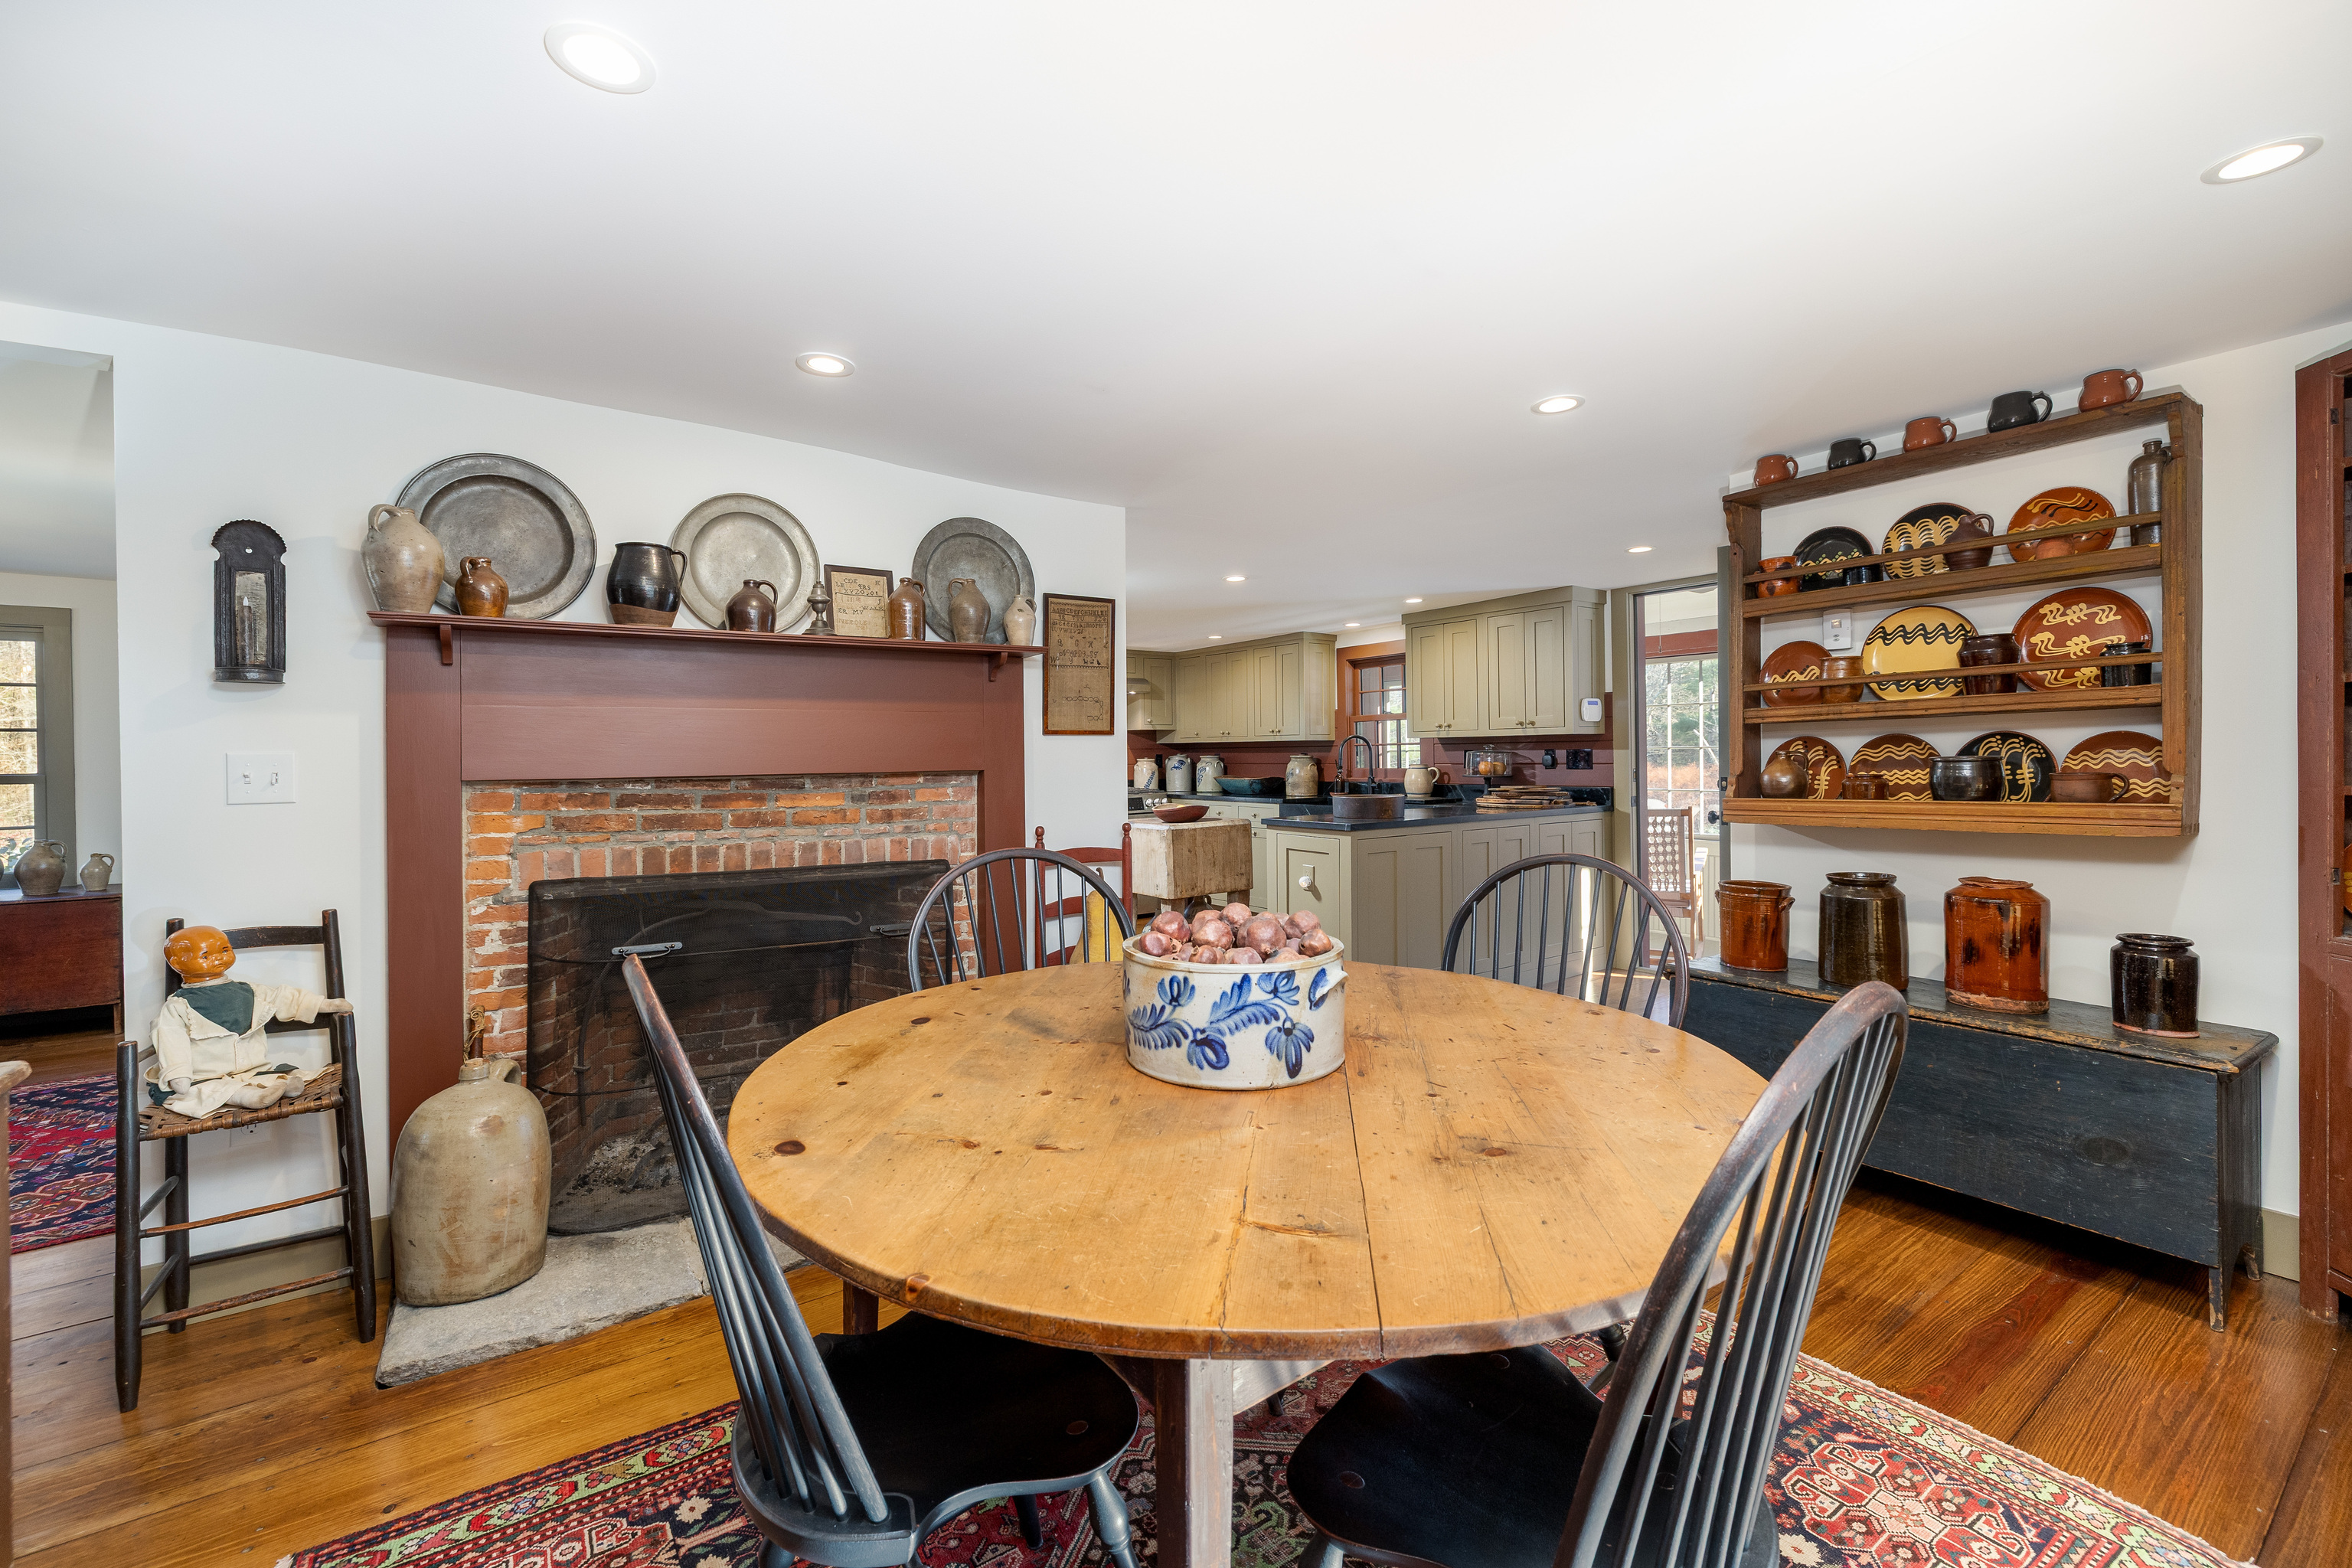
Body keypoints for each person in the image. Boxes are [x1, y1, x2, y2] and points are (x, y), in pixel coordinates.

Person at [148, 924, 353, 1118]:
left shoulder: (248, 991)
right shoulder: (178, 1006)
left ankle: (282, 1087)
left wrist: (322, 1005)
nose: (218, 958)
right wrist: (178, 1074)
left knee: (272, 1077)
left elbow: (281, 998)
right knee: (203, 1092)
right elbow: (170, 1038)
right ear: (176, 963)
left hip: (253, 1072)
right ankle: (250, 1098)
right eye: (206, 955)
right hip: (205, 1077)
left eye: (225, 950)